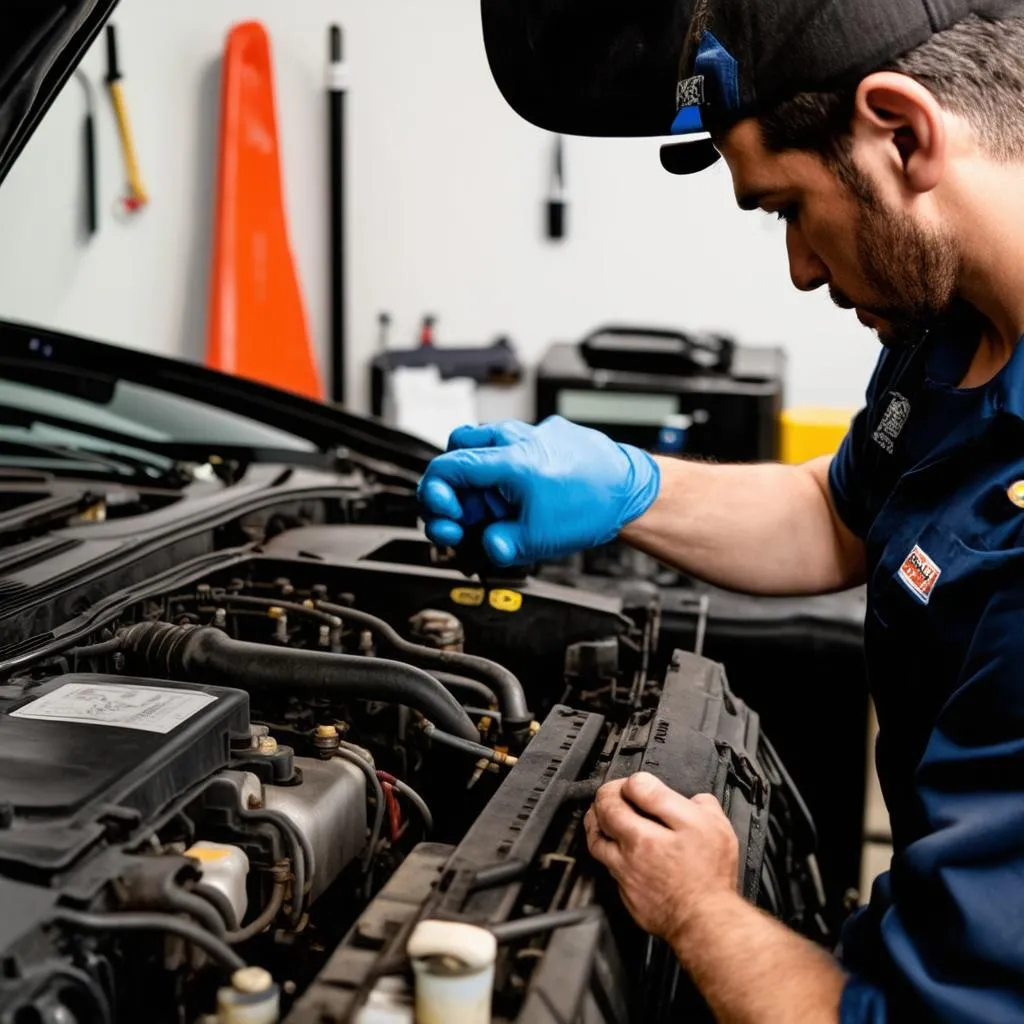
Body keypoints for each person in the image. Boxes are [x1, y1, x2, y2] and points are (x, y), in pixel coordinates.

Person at [419, 0, 1024, 1020]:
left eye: (786, 207)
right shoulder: (951, 335)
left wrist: (698, 909)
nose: (797, 271)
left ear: (905, 131)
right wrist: (628, 485)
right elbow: (839, 516)